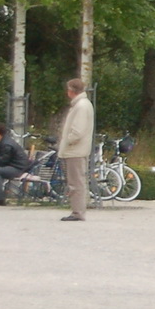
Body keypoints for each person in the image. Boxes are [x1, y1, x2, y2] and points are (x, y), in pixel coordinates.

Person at [57, 77, 94, 221]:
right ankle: (77, 210)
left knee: (76, 182)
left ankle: (77, 212)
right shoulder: (82, 104)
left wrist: (67, 141)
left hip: (75, 150)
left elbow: (77, 131)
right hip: (76, 149)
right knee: (76, 181)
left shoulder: (81, 106)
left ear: (71, 91)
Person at [0, 124, 30, 206]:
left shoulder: (6, 144)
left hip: (17, 169)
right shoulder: (6, 141)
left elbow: (3, 160)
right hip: (17, 167)